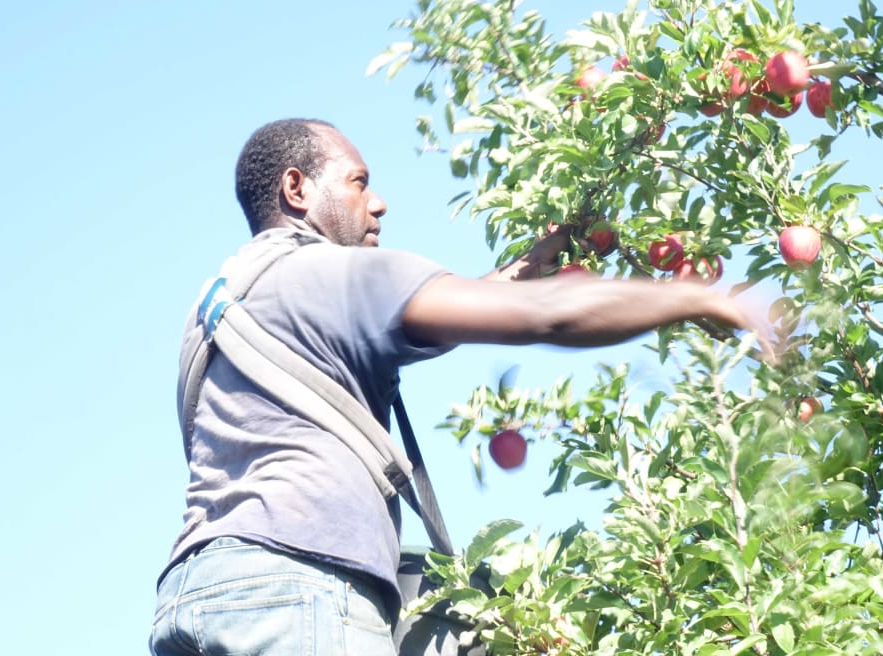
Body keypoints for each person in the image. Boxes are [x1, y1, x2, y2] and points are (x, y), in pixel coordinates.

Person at [149, 118, 770, 656]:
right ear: (296, 188)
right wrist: (694, 298)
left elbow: (427, 316)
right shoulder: (334, 274)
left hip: (195, 595)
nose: (379, 203)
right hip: (300, 591)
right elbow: (550, 317)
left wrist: (523, 268)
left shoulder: (225, 306)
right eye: (358, 182)